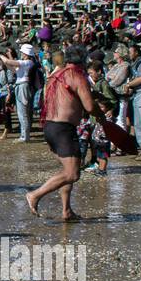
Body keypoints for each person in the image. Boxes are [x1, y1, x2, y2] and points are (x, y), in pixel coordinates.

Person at [26, 47, 105, 221]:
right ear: (82, 61)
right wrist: (102, 114)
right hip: (63, 129)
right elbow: (90, 107)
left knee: (67, 169)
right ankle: (35, 195)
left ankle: (66, 211)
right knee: (72, 173)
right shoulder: (77, 76)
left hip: (49, 127)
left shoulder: (56, 75)